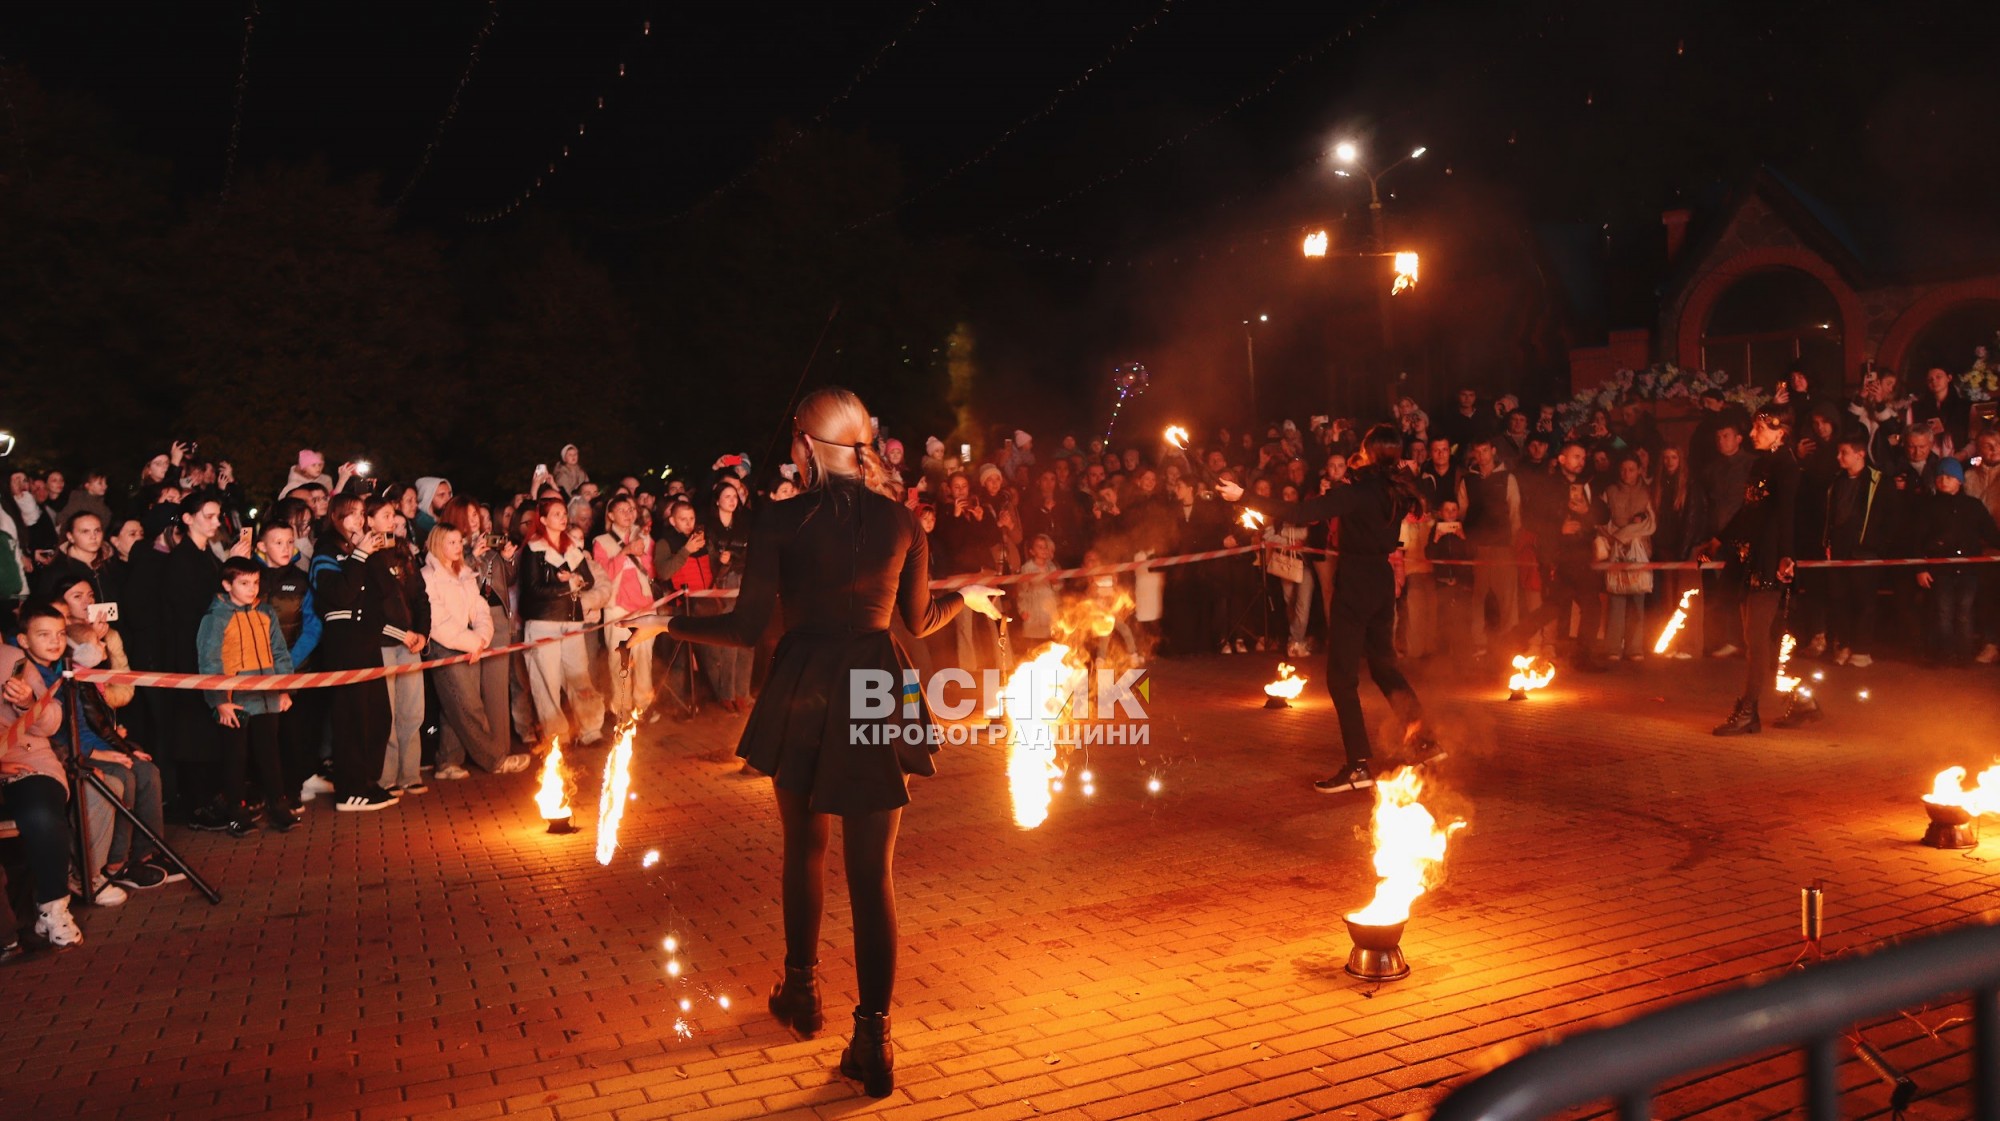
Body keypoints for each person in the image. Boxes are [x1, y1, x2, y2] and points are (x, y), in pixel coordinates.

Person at [621, 387, 1003, 1098]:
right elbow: (916, 623)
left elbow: (744, 628)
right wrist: (967, 599)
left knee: (805, 846)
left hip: (805, 683)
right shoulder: (900, 520)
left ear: (804, 444)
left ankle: (803, 993)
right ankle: (873, 1038)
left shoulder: (783, 517)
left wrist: (664, 627)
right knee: (873, 875)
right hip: (878, 686)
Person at [1227, 424, 1440, 794]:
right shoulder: (1396, 488)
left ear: (1371, 452)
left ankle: (1359, 766)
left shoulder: (1359, 493)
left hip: (1357, 580)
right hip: (1381, 577)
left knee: (1341, 679)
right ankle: (1425, 741)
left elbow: (1299, 511)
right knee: (1384, 667)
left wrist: (1245, 495)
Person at [1698, 409, 1802, 734]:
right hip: (1750, 557)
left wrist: (1786, 556)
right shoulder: (1760, 464)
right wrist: (1718, 541)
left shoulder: (1786, 466)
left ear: (1779, 433)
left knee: (1758, 638)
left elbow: (1787, 514)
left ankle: (1749, 712)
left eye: (1759, 429)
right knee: (1756, 638)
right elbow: (1748, 511)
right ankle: (1804, 701)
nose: (1753, 433)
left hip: (1768, 559)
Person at [309, 495, 399, 811]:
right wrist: (358, 556)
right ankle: (349, 789)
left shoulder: (361, 552)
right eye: (351, 515)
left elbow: (387, 589)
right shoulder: (325, 553)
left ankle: (367, 781)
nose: (359, 520)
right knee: (351, 717)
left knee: (377, 714)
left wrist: (368, 555)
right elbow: (341, 594)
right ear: (335, 517)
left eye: (362, 514)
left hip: (367, 640)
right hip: (344, 642)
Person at [197, 557, 297, 834]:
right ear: (227, 585)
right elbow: (210, 662)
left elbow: (279, 652)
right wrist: (219, 702)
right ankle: (235, 811)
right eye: (244, 583)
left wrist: (283, 689)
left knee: (270, 754)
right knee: (235, 758)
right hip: (235, 701)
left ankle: (278, 806)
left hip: (267, 697)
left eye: (255, 582)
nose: (252, 588)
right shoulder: (215, 618)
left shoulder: (265, 612)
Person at [423, 525, 524, 776]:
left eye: (459, 542)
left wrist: (481, 637)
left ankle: (448, 761)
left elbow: (480, 608)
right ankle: (495, 759)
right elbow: (437, 620)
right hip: (445, 648)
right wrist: (472, 641)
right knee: (468, 706)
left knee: (455, 705)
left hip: (469, 644)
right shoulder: (428, 576)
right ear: (438, 545)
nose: (458, 548)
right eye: (451, 543)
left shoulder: (465, 574)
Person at [519, 495, 604, 746]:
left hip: (572, 619)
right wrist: (564, 584)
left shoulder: (571, 548)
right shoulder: (533, 550)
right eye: (556, 514)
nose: (562, 517)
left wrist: (575, 579)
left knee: (580, 676)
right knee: (547, 680)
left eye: (563, 513)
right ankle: (556, 735)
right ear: (543, 519)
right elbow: (533, 589)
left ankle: (590, 728)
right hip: (544, 621)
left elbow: (588, 579)